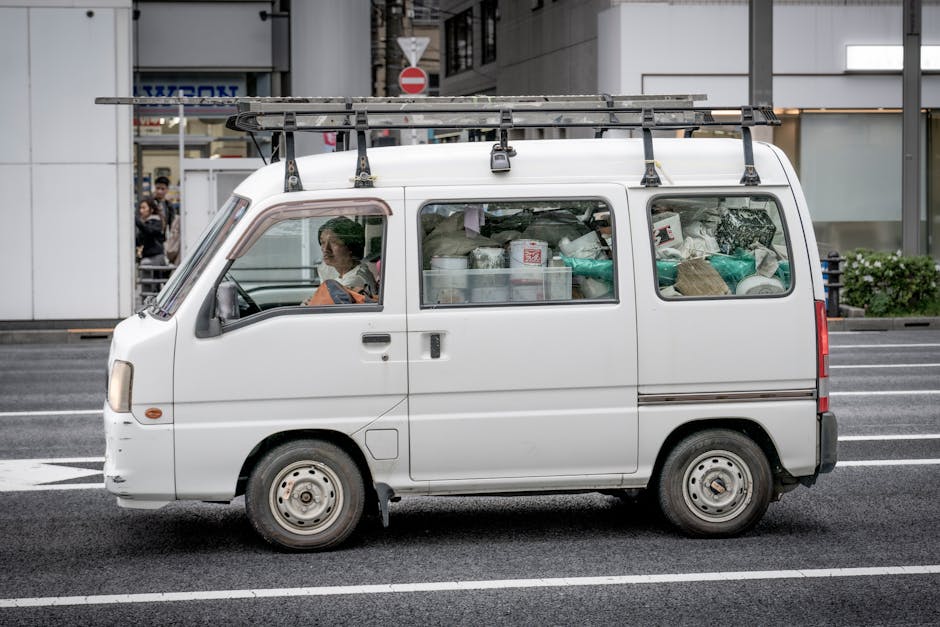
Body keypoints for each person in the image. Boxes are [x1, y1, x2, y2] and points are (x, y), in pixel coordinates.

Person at [315, 217, 377, 295]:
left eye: (334, 242)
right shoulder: (331, 268)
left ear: (351, 246)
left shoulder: (355, 281)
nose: (325, 249)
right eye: (323, 242)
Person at [153, 176, 181, 264]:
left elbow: (172, 223)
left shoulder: (169, 205)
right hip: (151, 239)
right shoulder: (150, 203)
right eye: (158, 188)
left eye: (162, 189)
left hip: (164, 239)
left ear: (167, 190)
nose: (159, 191)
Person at [135, 198, 166, 265]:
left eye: (144, 208)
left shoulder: (156, 222)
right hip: (147, 257)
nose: (141, 211)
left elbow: (149, 230)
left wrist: (136, 220)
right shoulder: (145, 223)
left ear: (151, 210)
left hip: (156, 257)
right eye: (140, 208)